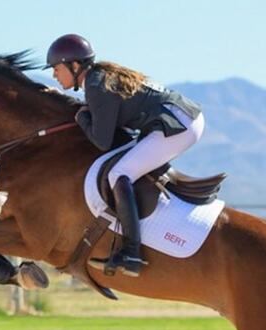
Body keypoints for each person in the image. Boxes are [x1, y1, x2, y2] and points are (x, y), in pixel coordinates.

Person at [46, 33, 205, 277]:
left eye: (57, 68)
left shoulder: (97, 84)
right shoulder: (98, 79)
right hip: (181, 118)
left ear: (74, 65)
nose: (54, 75)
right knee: (126, 166)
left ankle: (132, 252)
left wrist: (80, 117)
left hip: (179, 124)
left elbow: (102, 141)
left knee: (120, 173)